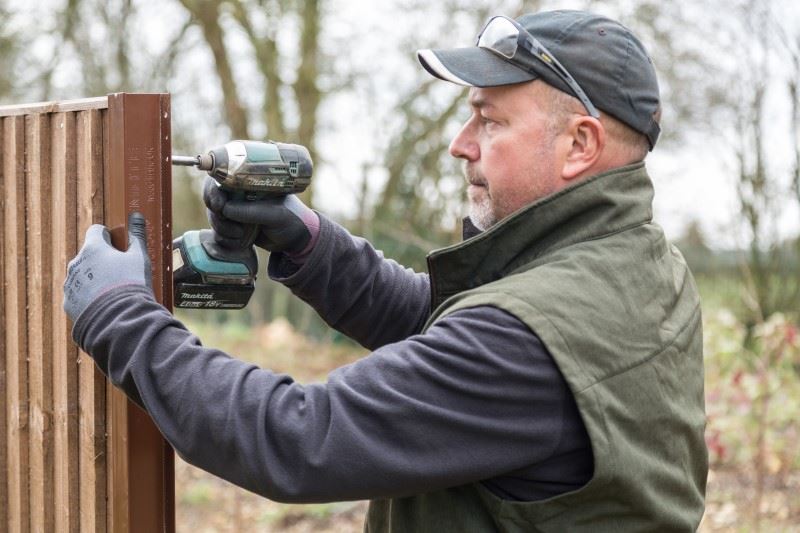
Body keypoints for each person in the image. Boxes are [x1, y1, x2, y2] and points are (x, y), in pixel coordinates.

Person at [63, 10, 707, 532]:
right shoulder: (640, 262)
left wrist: (122, 317)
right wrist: (311, 246)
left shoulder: (526, 344)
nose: (461, 142)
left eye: (489, 119)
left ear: (580, 145)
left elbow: (297, 437)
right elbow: (445, 325)